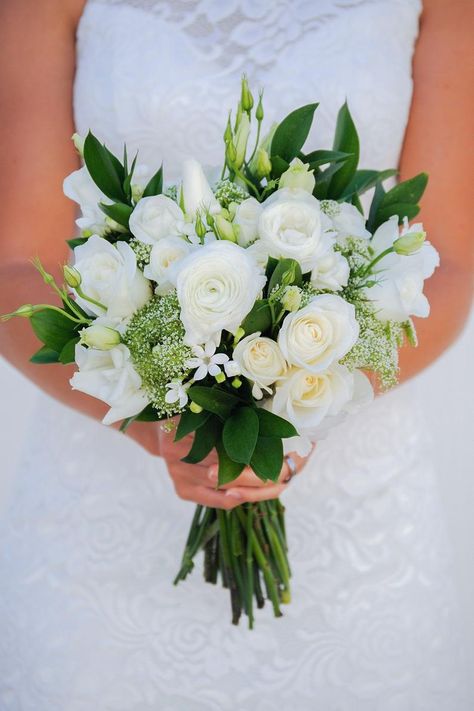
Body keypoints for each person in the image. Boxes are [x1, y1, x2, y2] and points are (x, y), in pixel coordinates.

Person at [0, 1, 472, 709]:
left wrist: (312, 393)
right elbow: (17, 268)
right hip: (99, 505)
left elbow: (448, 261)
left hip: (358, 516)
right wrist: (154, 423)